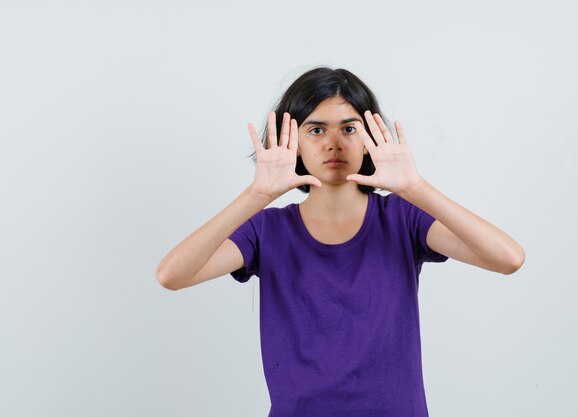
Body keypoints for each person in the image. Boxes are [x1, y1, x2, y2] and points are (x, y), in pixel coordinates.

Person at [155, 67, 526, 417]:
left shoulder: (402, 217)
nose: (333, 144)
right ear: (293, 142)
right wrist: (256, 194)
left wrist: (416, 188)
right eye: (316, 130)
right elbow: (172, 275)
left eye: (349, 129)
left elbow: (508, 258)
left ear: (369, 140)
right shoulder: (266, 230)